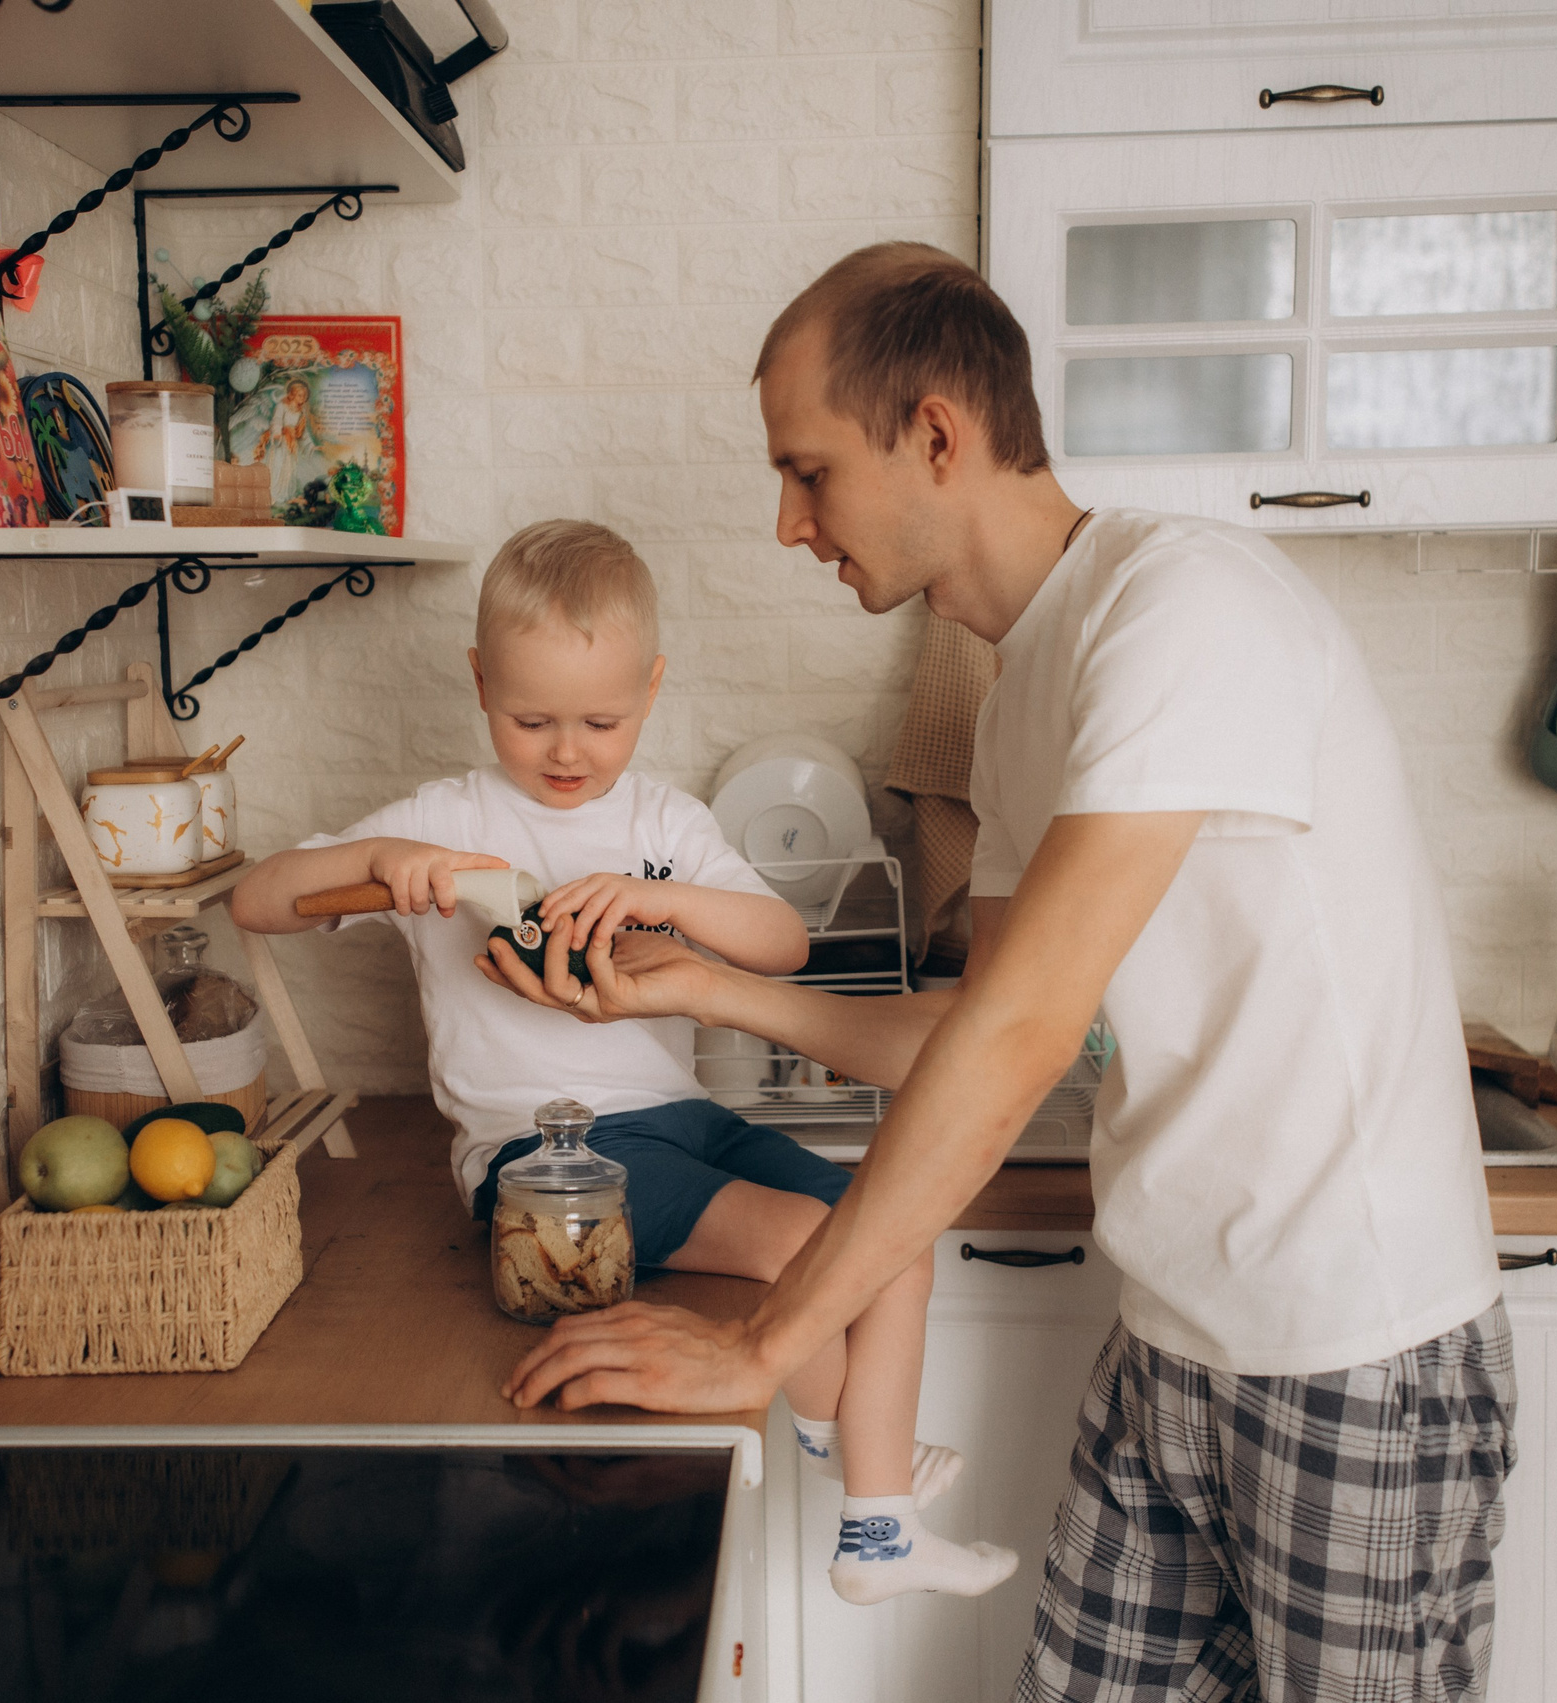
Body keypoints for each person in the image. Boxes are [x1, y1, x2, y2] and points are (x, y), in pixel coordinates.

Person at [480, 247, 1517, 1702]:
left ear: (936, 436)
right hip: (1178, 1330)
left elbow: (1024, 1034)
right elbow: (981, 1018)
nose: (787, 524)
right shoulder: (1031, 689)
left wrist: (773, 1340)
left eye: (809, 471)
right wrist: (696, 986)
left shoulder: (1181, 609)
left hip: (1351, 1342)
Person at [229, 518, 1019, 1604]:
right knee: (819, 1242)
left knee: (896, 1226)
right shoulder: (448, 821)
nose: (566, 749)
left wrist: (659, 897)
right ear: (477, 683)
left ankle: (863, 1487)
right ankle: (866, 1496)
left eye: (600, 719)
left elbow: (784, 944)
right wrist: (379, 859)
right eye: (530, 717)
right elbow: (257, 899)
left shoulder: (662, 819)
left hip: (681, 1120)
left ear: (650, 690)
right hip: (544, 1159)